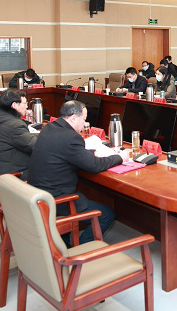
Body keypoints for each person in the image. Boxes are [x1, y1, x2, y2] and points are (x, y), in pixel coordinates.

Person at [28, 100, 122, 243]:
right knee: (106, 214)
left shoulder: (49, 128)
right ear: (73, 118)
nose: (85, 124)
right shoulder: (71, 137)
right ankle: (83, 248)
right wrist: (119, 157)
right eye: (84, 119)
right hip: (57, 199)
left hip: (38, 193)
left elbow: (65, 151)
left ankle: (65, 243)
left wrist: (92, 152)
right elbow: (94, 166)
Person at [0, 89, 36, 178]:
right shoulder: (14, 125)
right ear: (14, 105)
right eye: (25, 103)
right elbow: (36, 146)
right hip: (9, 175)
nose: (27, 106)